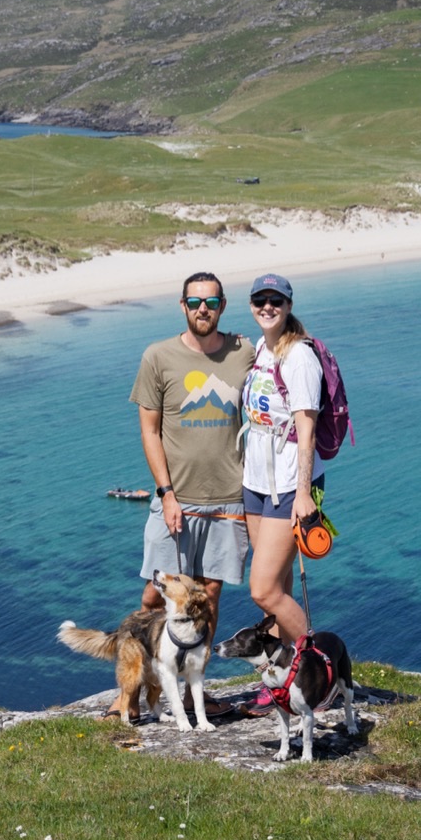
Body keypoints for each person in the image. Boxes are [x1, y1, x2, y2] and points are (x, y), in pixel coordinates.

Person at [120, 270, 254, 717]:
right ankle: (132, 693)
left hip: (230, 501)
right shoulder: (158, 356)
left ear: (222, 306)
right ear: (182, 305)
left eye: (211, 303)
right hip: (175, 499)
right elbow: (149, 430)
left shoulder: (245, 353)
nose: (203, 310)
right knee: (152, 597)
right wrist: (167, 493)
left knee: (209, 602)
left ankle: (198, 687)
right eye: (195, 302)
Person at [239, 272, 324, 651]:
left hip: (290, 484)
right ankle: (283, 670)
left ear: (289, 307)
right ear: (252, 306)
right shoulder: (261, 347)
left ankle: (318, 668)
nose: (267, 307)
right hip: (256, 480)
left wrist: (304, 494)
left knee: (263, 589)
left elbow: (307, 429)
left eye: (276, 301)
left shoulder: (299, 357)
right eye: (261, 301)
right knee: (280, 581)